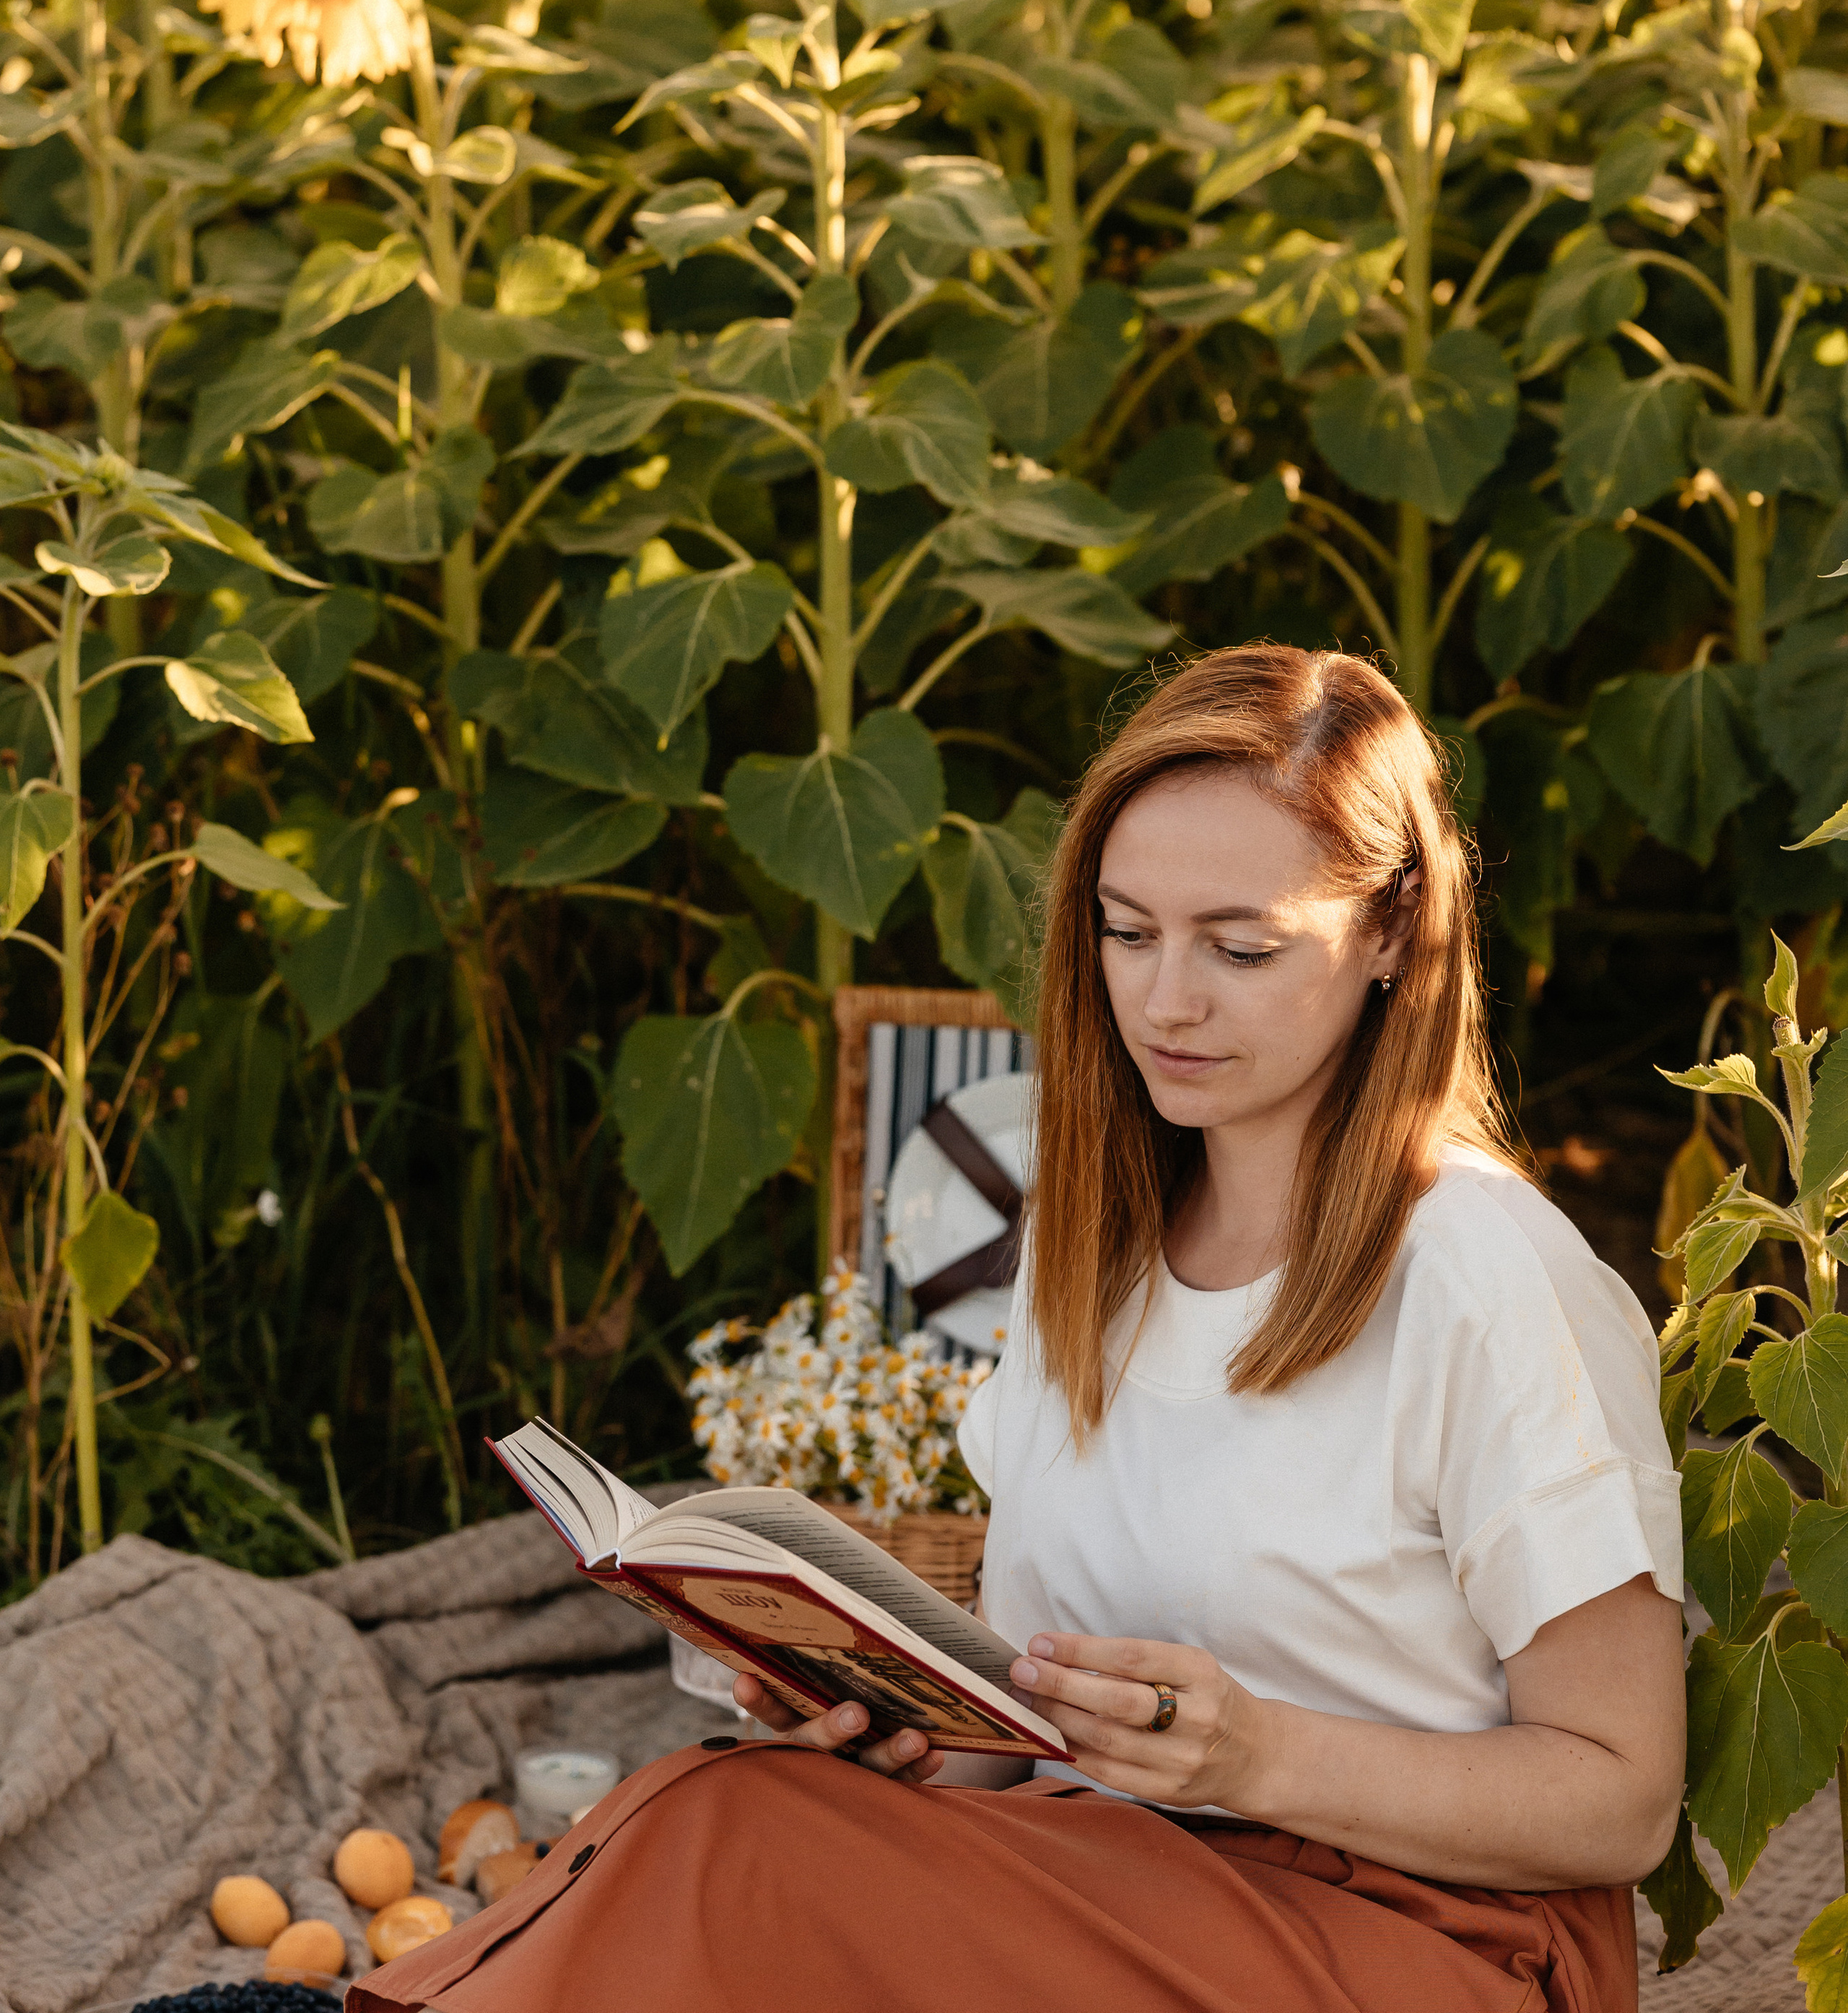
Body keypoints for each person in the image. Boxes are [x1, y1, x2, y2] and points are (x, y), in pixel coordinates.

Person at [353, 645, 1683, 2013]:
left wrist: (1256, 1759)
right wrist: (903, 1726)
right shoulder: (1093, 1245)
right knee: (719, 1802)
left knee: (736, 1861)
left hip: (1419, 1936)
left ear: (1397, 930)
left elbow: (1623, 1800)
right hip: (1113, 1873)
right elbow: (1039, 1717)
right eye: (1126, 930)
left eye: (1241, 945)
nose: (1167, 1000)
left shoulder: (1485, 1273)